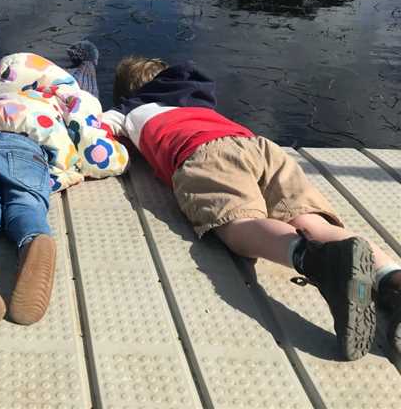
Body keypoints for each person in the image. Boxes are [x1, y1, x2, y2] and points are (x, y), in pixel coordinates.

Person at [104, 55, 401, 359]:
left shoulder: (129, 110)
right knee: (314, 223)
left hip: (203, 155)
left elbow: (92, 130)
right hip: (259, 146)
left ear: (129, 93)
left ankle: (317, 262)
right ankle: (392, 279)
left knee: (238, 225)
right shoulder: (197, 103)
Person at [0, 43, 129, 327]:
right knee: (24, 203)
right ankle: (33, 240)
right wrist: (112, 160)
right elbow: (94, 148)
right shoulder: (60, 100)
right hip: (26, 149)